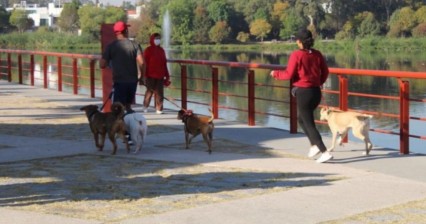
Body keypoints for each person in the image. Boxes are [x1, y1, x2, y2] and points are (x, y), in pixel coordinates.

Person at [270, 29, 332, 163]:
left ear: (299, 41)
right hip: (315, 91)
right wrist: (318, 82)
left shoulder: (296, 55)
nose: (296, 41)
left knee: (309, 123)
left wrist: (275, 74)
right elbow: (326, 72)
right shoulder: (317, 54)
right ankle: (314, 145)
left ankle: (324, 151)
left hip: (304, 92)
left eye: (296, 39)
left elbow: (288, 74)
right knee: (302, 119)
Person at [100, 20, 145, 114]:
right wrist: (142, 76)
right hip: (132, 81)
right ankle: (129, 125)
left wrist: (110, 62)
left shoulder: (111, 46)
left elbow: (102, 64)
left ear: (116, 33)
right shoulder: (135, 45)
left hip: (119, 82)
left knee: (117, 109)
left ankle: (119, 127)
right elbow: (142, 63)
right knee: (128, 107)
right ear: (126, 31)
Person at [141, 33, 170, 114]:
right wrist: (144, 75)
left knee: (160, 93)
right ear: (152, 39)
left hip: (160, 75)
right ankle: (145, 106)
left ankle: (159, 108)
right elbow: (145, 64)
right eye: (156, 38)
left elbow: (164, 63)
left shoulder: (161, 50)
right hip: (150, 75)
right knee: (149, 92)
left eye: (159, 38)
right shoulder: (148, 50)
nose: (158, 40)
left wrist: (167, 75)